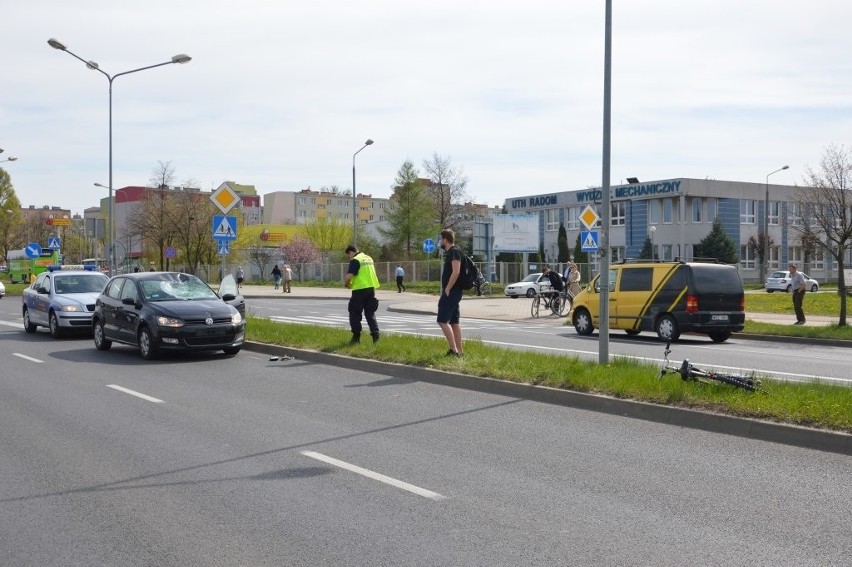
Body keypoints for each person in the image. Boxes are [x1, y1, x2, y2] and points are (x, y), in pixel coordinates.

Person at [343, 245, 380, 344]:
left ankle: (356, 337)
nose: (349, 258)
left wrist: (346, 284)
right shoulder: (368, 258)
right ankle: (376, 336)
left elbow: (349, 276)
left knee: (354, 313)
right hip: (371, 289)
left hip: (359, 290)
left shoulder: (356, 260)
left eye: (348, 256)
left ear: (351, 252)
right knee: (370, 313)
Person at [437, 228, 464, 356]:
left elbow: (456, 271)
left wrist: (447, 288)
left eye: (440, 239)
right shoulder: (453, 252)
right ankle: (460, 352)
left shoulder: (454, 252)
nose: (440, 241)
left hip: (452, 292)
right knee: (454, 322)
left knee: (442, 320)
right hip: (454, 292)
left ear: (445, 240)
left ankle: (453, 350)